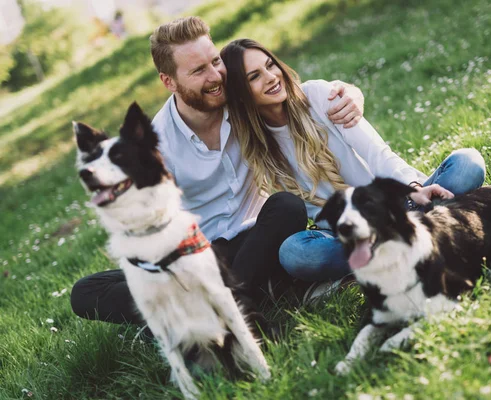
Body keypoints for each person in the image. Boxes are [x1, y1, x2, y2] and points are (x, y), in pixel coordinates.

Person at [70, 17, 366, 324]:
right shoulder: (155, 145)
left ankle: (208, 309)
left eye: (215, 62)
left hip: (265, 236)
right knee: (85, 291)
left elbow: (296, 96)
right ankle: (234, 299)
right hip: (205, 256)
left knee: (287, 206)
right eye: (199, 70)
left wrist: (348, 92)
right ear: (169, 81)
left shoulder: (244, 105)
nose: (215, 76)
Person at [219, 38, 486, 285]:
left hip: (398, 205)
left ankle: (388, 251)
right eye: (254, 77)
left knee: (467, 164)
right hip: (347, 235)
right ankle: (416, 238)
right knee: (295, 253)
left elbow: (377, 153)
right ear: (242, 93)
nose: (270, 77)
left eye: (270, 65)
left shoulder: (320, 96)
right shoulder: (253, 148)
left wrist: (414, 187)